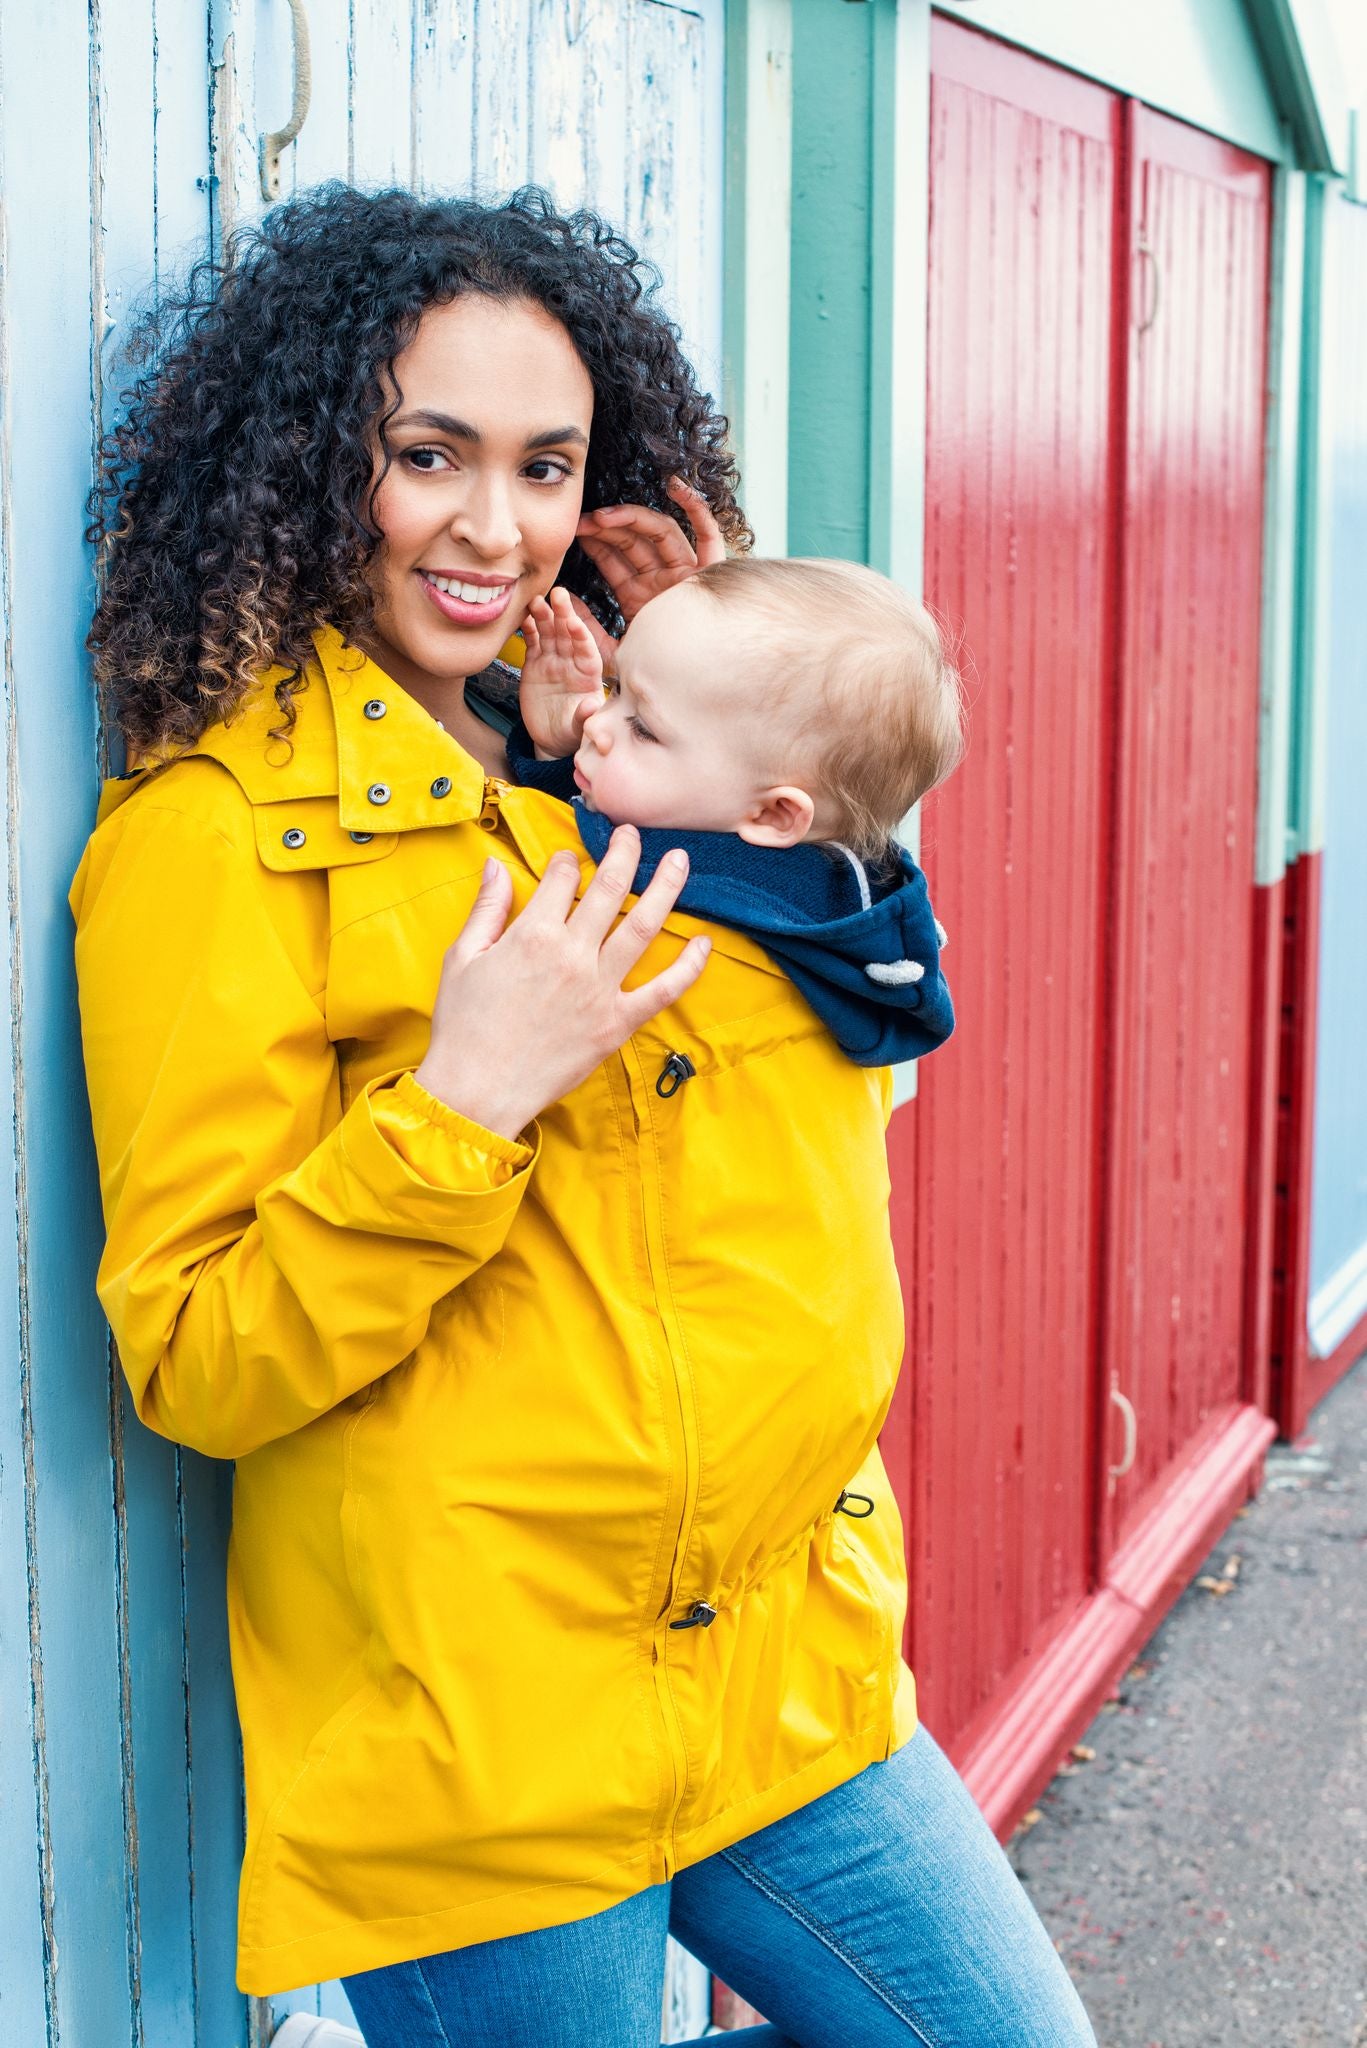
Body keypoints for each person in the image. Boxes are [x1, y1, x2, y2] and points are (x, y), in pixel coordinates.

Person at [72, 184, 1096, 2046]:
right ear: (316, 465)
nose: (495, 525)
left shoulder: (627, 767)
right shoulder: (216, 842)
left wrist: (727, 702)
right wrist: (461, 1099)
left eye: (546, 464)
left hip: (781, 1683)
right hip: (492, 1762)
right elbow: (198, 1356)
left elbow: (862, 1031)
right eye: (426, 455)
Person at [510, 558, 961, 1068]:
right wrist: (557, 758)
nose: (594, 720)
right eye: (615, 689)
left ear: (773, 815)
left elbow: (563, 860)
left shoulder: (721, 909)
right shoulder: (832, 907)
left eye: (644, 729)